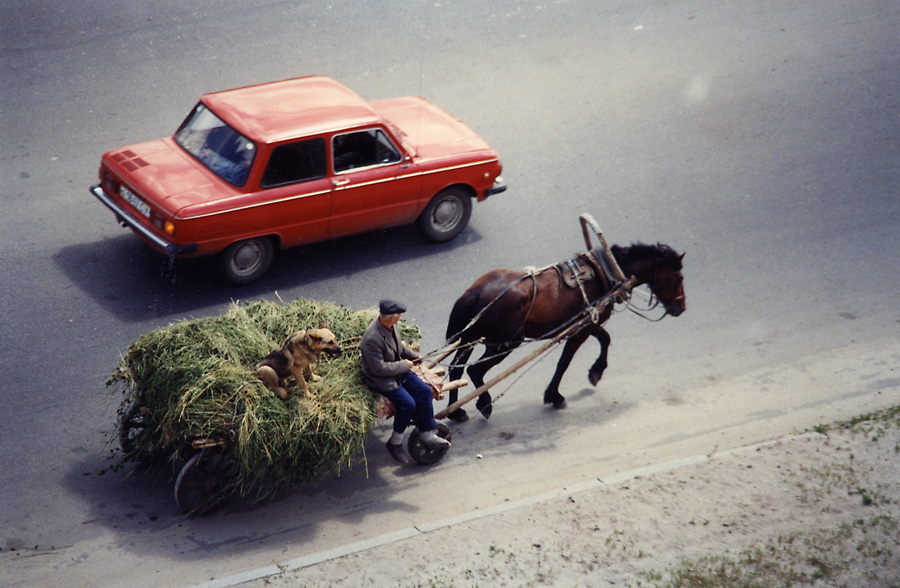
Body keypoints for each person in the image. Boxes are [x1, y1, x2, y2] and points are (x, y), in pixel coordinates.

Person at [360, 299, 450, 464]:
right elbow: (378, 369)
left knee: (423, 391)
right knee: (408, 404)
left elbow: (399, 348)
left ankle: (427, 433)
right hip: (381, 379)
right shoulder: (372, 338)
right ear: (392, 317)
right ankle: (394, 442)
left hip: (397, 370)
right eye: (399, 315)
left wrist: (413, 356)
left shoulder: (391, 326)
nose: (400, 317)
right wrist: (404, 364)